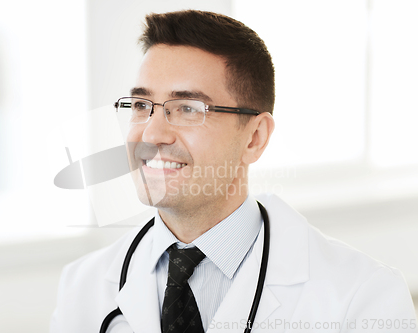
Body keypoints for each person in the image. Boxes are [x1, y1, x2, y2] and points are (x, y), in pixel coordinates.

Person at [50, 10, 417, 333]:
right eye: (142, 105)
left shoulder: (364, 298)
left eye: (188, 109)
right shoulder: (81, 288)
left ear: (254, 138)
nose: (152, 133)